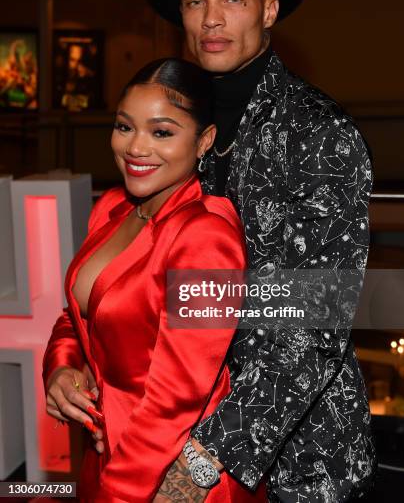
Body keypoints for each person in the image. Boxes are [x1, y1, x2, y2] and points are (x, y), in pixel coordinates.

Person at [140, 0, 377, 502]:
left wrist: (206, 458)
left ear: (269, 11)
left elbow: (312, 320)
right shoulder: (170, 127)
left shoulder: (320, 132)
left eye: (233, 0)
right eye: (195, 3)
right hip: (173, 423)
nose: (211, 20)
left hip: (297, 460)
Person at [42, 58, 268, 502]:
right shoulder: (112, 208)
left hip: (167, 477)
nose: (135, 148)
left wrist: (120, 493)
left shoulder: (206, 238)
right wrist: (62, 366)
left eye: (161, 132)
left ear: (203, 140)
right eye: (124, 127)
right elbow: (78, 316)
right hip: (105, 451)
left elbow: (174, 399)